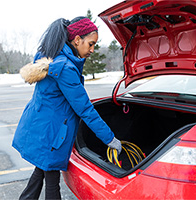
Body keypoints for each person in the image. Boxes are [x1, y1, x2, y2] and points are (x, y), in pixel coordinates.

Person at [12, 16, 122, 200]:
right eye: (91, 44)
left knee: (40, 172)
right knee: (52, 183)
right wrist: (110, 139)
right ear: (77, 40)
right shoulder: (65, 69)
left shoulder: (54, 57)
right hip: (52, 135)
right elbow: (85, 109)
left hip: (41, 128)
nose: (92, 50)